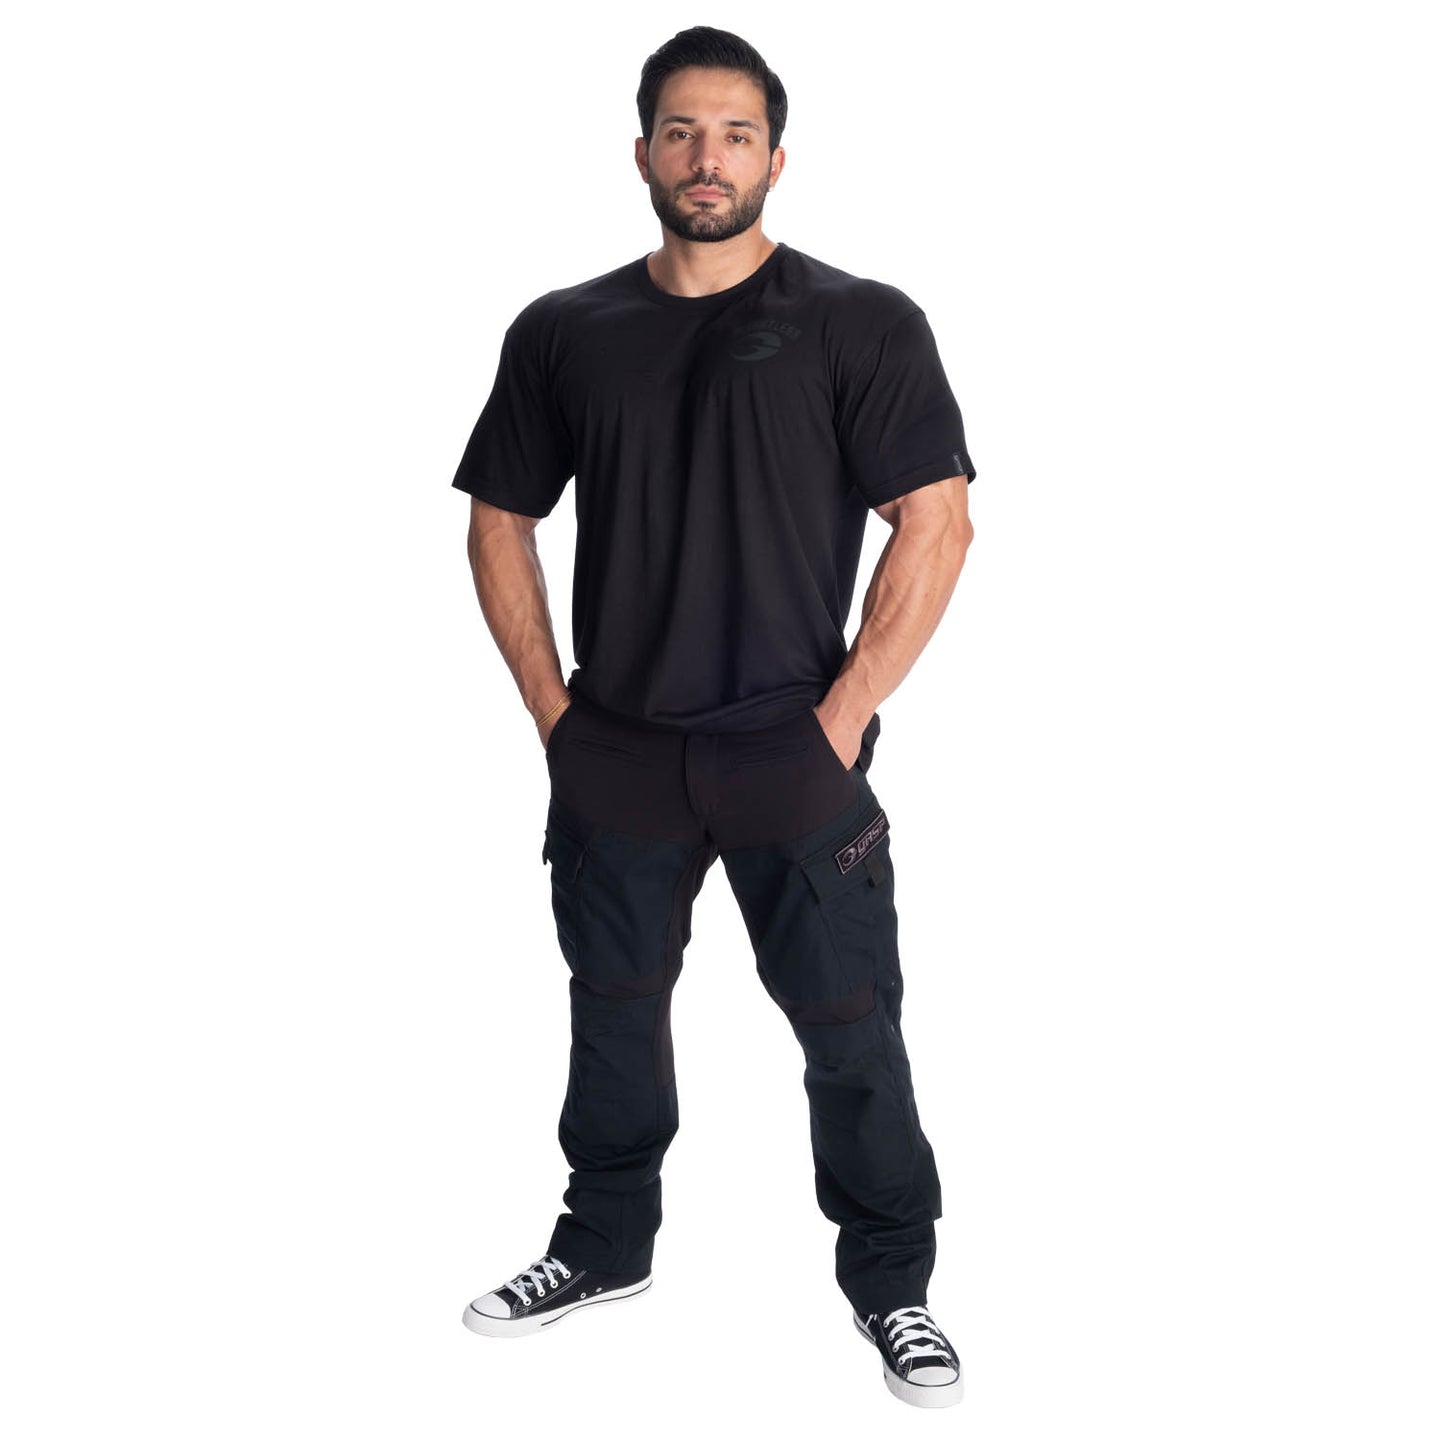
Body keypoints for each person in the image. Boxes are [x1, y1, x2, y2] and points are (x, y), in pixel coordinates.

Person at [451, 26, 977, 1409]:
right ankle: (602, 1244)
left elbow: (936, 522)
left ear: (776, 160)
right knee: (612, 1011)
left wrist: (845, 716)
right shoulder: (565, 330)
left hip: (790, 749)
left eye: (736, 134)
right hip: (616, 747)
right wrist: (556, 716)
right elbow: (499, 520)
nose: (707, 158)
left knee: (850, 1023)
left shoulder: (863, 321)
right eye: (682, 132)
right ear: (642, 152)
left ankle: (894, 1284)